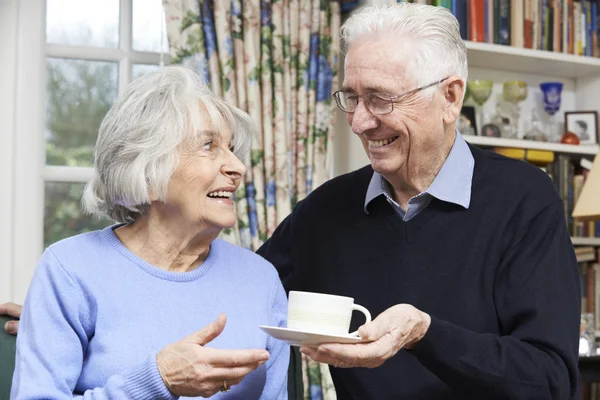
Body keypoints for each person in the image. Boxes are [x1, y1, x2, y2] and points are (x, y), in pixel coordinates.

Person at [3, 3, 581, 399]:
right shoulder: (327, 210)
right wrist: (68, 317)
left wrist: (424, 332)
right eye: (349, 98)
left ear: (450, 97)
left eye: (379, 98)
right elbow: (204, 282)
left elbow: (553, 379)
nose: (359, 122)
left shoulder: (524, 200)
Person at [8, 65, 289, 399]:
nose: (237, 167)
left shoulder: (260, 280)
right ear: (149, 175)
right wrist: (159, 379)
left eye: (231, 149)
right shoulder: (70, 270)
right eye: (208, 146)